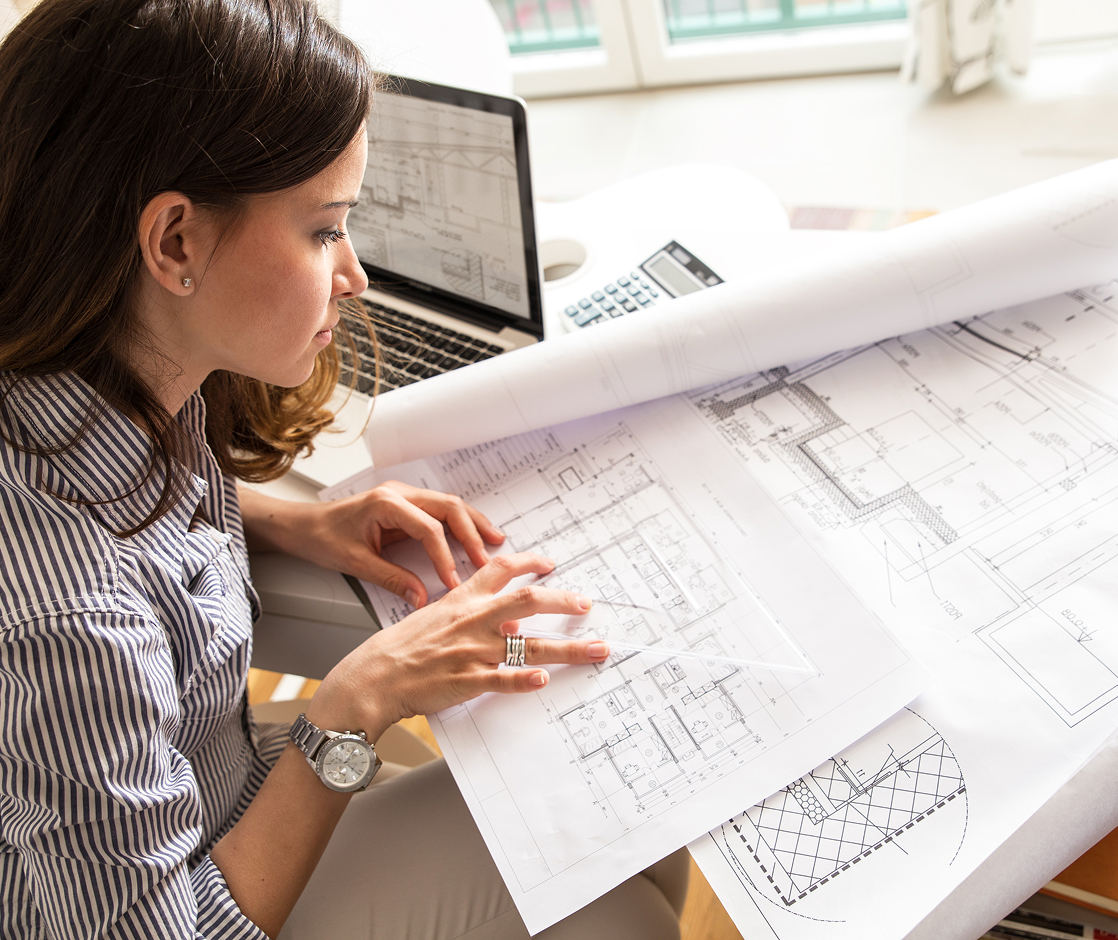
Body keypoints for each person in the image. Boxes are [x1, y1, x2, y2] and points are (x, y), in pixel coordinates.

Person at [0, 0, 689, 937]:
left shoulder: (99, 376)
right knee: (614, 912)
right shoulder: (67, 621)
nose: (355, 274)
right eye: (325, 230)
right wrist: (359, 704)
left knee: (626, 822)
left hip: (212, 783)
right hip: (169, 898)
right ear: (175, 243)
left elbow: (124, 516)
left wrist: (289, 520)